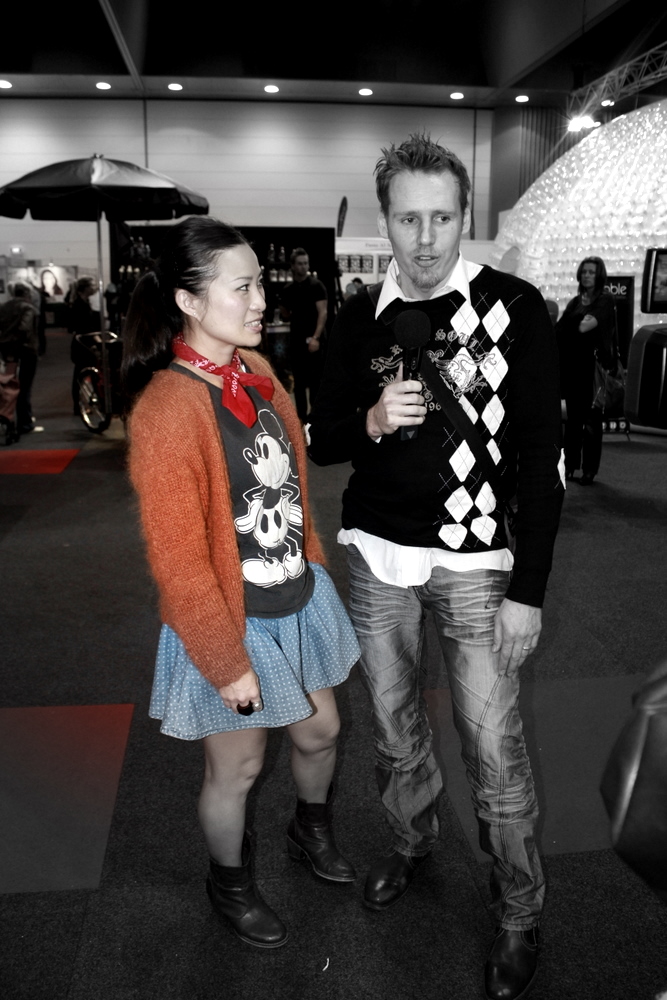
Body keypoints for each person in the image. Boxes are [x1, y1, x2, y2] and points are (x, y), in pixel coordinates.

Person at [308, 133, 564, 1000]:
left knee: (493, 744)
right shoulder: (357, 318)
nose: (424, 239)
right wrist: (371, 420)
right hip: (377, 556)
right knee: (393, 731)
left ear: (464, 217)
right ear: (384, 219)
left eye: (442, 219)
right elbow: (322, 439)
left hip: (476, 559)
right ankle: (413, 844)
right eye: (408, 218)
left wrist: (527, 591)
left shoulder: (513, 308)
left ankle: (519, 909)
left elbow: (540, 460)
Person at [122, 216, 360, 950]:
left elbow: (289, 485)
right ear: (189, 302)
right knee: (241, 765)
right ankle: (229, 883)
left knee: (321, 731)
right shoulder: (167, 410)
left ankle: (307, 831)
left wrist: (310, 565)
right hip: (230, 616)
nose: (262, 301)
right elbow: (178, 560)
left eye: (259, 283)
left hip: (293, 593)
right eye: (244, 287)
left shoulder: (255, 371)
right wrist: (225, 664)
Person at [556, 256, 617, 484]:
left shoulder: (605, 300)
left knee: (591, 422)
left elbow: (582, 327)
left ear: (599, 275)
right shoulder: (575, 302)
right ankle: (570, 466)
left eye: (591, 272)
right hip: (574, 368)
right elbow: (560, 330)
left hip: (595, 370)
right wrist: (575, 321)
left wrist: (572, 323)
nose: (587, 276)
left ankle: (590, 470)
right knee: (573, 421)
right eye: (584, 272)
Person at [279, 248, 327, 421]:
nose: (303, 267)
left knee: (315, 383)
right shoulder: (288, 289)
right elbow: (285, 313)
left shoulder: (316, 286)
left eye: (305, 263)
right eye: (300, 264)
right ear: (293, 266)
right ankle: (300, 420)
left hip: (314, 339)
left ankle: (315, 419)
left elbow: (323, 313)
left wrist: (316, 337)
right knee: (299, 383)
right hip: (297, 340)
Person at [0, 282, 40, 433]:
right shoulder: (28, 308)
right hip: (26, 350)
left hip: (7, 351)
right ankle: (24, 422)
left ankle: (7, 417)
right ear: (27, 293)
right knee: (24, 386)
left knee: (9, 384)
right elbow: (25, 328)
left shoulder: (3, 307)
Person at [68, 276, 98, 414]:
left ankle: (81, 403)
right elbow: (82, 326)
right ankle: (78, 405)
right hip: (83, 344)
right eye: (92, 285)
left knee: (84, 373)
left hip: (84, 343)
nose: (94, 288)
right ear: (85, 288)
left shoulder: (83, 302)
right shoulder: (79, 304)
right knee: (81, 374)